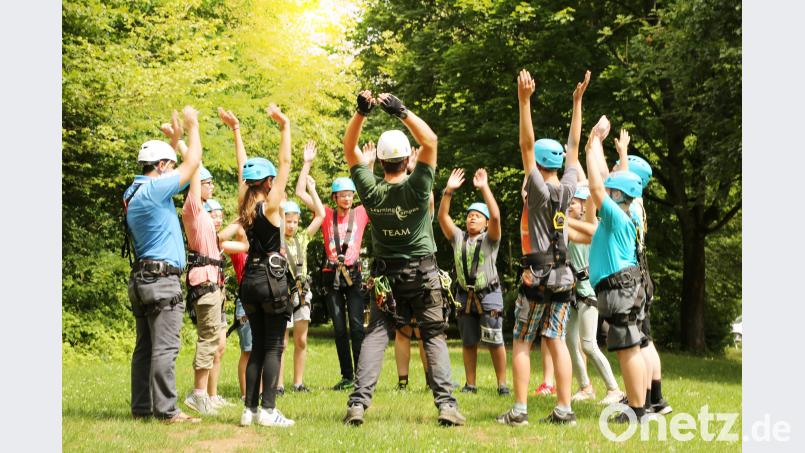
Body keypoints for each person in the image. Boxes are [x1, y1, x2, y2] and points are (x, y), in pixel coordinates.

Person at [341, 90, 465, 426]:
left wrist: (361, 113)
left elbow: (349, 149)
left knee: (376, 336)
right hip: (423, 274)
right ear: (407, 158)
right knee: (434, 336)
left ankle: (357, 404)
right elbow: (431, 140)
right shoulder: (419, 186)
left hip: (386, 279)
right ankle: (447, 406)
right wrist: (401, 111)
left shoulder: (370, 189)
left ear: (379, 161)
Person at [497, 69, 584, 427]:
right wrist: (577, 104)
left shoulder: (535, 189)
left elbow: (526, 145)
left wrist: (524, 101)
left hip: (536, 277)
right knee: (558, 340)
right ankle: (564, 409)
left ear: (538, 166)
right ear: (559, 163)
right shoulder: (567, 186)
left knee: (521, 340)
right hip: (564, 276)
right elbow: (575, 147)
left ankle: (519, 410)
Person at [123, 106, 202, 424]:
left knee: (145, 347)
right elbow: (192, 163)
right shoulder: (154, 191)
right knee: (165, 348)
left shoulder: (135, 191)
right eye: (168, 165)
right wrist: (192, 127)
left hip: (142, 279)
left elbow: (181, 167)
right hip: (161, 280)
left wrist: (176, 140)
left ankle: (142, 407)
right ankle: (167, 411)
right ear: (160, 166)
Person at [586, 118, 651, 424]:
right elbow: (605, 180)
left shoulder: (615, 215)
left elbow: (597, 185)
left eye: (614, 189)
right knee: (632, 347)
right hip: (627, 285)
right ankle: (640, 406)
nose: (608, 189)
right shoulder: (627, 214)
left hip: (619, 288)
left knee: (627, 348)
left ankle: (636, 410)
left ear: (619, 195)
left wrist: (591, 144)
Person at [236, 104, 296, 427]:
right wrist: (284, 127)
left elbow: (240, 169)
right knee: (274, 345)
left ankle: (249, 410)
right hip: (272, 282)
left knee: (257, 345)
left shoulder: (244, 208)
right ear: (269, 181)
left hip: (249, 281)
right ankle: (269, 410)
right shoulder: (271, 208)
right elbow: (285, 162)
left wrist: (236, 133)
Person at [296, 141, 371, 391]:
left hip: (354, 275)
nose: (347, 199)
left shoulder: (361, 213)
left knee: (358, 327)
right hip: (331, 277)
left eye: (350, 194)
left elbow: (372, 193)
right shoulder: (326, 214)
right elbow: (300, 194)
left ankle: (361, 376)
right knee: (339, 329)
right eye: (343, 195)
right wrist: (306, 164)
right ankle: (347, 375)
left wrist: (367, 165)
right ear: (335, 197)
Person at [438, 168, 508, 396]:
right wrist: (448, 191)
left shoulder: (491, 240)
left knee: (495, 340)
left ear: (486, 223)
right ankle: (470, 384)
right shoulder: (458, 237)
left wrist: (484, 187)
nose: (472, 217)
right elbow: (442, 217)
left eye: (477, 215)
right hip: (463, 297)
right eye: (469, 215)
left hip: (489, 294)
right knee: (468, 342)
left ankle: (502, 384)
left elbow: (497, 216)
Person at [613, 146, 672, 415]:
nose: (614, 171)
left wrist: (622, 153)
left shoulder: (631, 203)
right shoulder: (639, 204)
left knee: (641, 342)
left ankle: (646, 400)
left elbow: (620, 176)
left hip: (631, 279)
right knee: (646, 340)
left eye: (618, 168)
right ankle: (654, 398)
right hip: (641, 277)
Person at [564, 183, 626, 405]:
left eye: (572, 203)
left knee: (588, 344)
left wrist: (590, 188)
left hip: (588, 293)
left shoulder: (594, 227)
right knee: (569, 340)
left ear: (583, 207)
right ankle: (585, 387)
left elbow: (591, 206)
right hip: (573, 293)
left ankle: (614, 389)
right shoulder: (570, 229)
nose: (568, 207)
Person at [277, 169, 325, 393]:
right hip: (284, 292)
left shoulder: (303, 238)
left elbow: (321, 215)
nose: (292, 225)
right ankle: (278, 384)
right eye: (288, 221)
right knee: (282, 342)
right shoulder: (277, 238)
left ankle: (298, 382)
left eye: (295, 222)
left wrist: (312, 190)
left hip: (302, 293)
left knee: (301, 340)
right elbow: (276, 214)